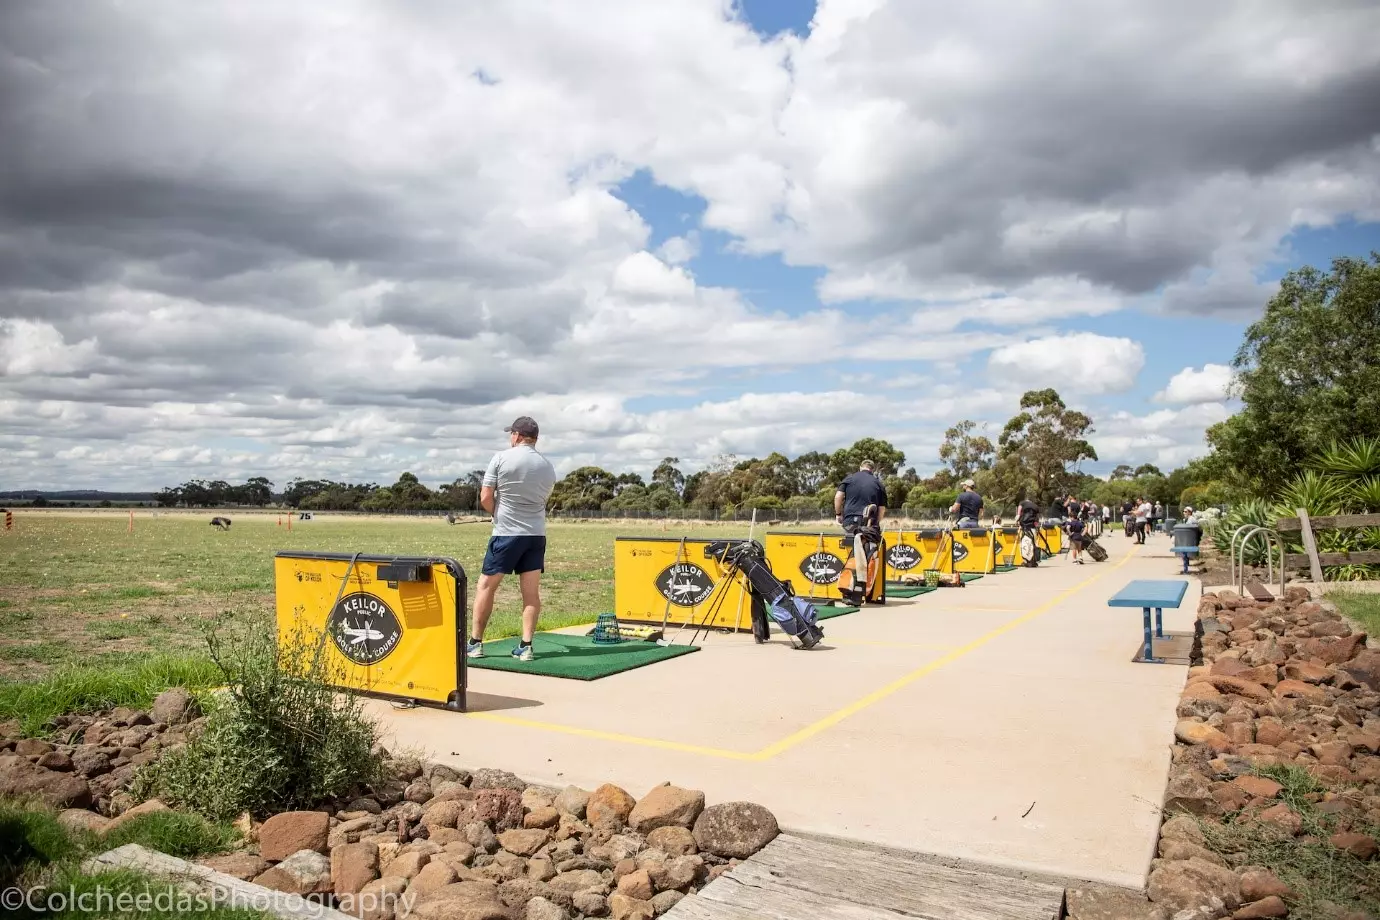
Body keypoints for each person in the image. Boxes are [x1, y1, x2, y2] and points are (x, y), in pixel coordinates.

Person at [467, 416, 558, 662]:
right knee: (531, 594)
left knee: (486, 586)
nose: (510, 437)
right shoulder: (548, 465)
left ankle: (475, 643)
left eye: (512, 434)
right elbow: (542, 501)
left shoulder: (500, 458)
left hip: (506, 534)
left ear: (517, 435)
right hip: (536, 535)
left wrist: (497, 513)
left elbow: (486, 497)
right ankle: (526, 646)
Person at [834, 459, 888, 531]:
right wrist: (876, 523)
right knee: (868, 541)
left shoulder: (849, 479)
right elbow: (882, 509)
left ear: (860, 467)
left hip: (850, 519)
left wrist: (838, 514)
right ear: (872, 470)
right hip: (870, 521)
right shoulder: (878, 484)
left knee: (850, 540)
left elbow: (838, 497)